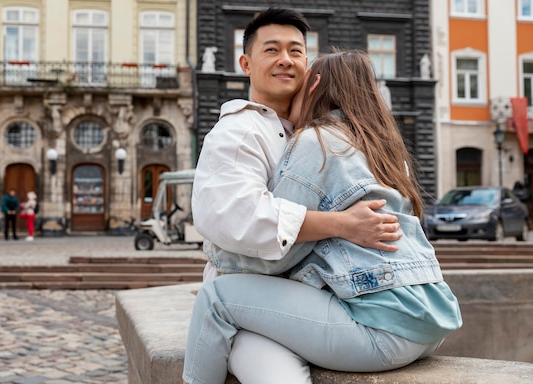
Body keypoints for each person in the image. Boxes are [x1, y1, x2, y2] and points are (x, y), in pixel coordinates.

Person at [182, 49, 463, 384]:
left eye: (298, 89)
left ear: (313, 86)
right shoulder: (383, 147)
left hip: (381, 329)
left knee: (215, 298)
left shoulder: (318, 141)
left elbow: (278, 251)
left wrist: (217, 253)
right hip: (428, 321)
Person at [188, 8, 403, 384]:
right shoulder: (239, 131)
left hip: (316, 300)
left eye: (296, 51)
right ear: (246, 63)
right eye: (271, 50)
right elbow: (239, 218)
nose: (286, 60)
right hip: (251, 305)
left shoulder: (321, 134)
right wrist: (343, 225)